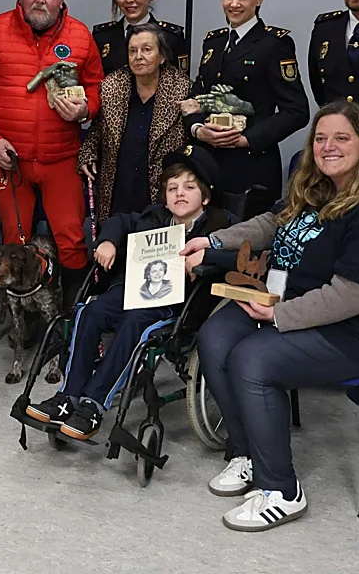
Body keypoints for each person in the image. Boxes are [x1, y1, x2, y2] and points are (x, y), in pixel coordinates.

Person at [186, 100, 359, 532]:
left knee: (253, 359)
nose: (327, 147)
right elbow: (267, 226)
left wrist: (279, 316)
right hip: (294, 301)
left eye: (341, 138)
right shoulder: (315, 190)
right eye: (320, 138)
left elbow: (351, 296)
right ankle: (247, 452)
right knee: (215, 337)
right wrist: (211, 240)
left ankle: (281, 490)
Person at [25, 146, 232, 440]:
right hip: (132, 290)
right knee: (90, 311)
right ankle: (68, 397)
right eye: (172, 188)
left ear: (206, 197)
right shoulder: (156, 216)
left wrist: (206, 258)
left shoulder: (219, 225)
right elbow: (121, 220)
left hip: (174, 305)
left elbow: (241, 252)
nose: (179, 193)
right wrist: (108, 241)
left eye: (189, 187)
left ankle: (94, 403)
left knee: (137, 323)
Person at [0, 0, 104, 294]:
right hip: (9, 159)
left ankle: (72, 321)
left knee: (70, 239)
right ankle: (22, 325)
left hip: (62, 158)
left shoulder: (80, 36)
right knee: (15, 243)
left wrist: (85, 109)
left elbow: (97, 87)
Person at [183, 0, 308, 204]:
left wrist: (246, 139)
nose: (234, 4)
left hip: (251, 165)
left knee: (246, 239)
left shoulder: (275, 44)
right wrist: (198, 129)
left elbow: (297, 111)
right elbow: (196, 97)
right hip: (208, 164)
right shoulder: (214, 42)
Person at [78, 22, 190, 224]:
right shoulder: (112, 87)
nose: (138, 56)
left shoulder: (182, 90)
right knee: (115, 244)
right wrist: (89, 152)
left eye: (147, 50)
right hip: (118, 187)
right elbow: (97, 128)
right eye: (133, 51)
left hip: (161, 191)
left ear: (162, 56)